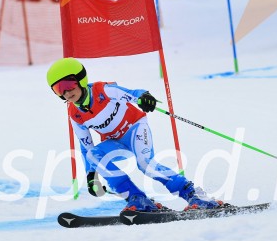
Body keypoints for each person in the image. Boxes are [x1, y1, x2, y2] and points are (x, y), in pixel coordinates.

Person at [46, 57, 223, 212]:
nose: (66, 92)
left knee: (145, 164)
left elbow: (132, 94)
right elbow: (86, 147)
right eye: (59, 89)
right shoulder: (74, 115)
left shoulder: (103, 91)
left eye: (69, 85)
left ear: (81, 79)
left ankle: (194, 195)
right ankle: (137, 199)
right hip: (115, 142)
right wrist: (91, 176)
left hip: (135, 128)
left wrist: (143, 97)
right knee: (93, 154)